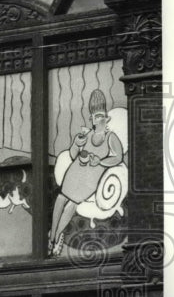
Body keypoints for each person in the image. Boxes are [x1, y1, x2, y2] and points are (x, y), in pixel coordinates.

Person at [48, 89, 124, 256]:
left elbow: (118, 157)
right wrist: (76, 143)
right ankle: (53, 233)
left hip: (91, 177)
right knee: (61, 199)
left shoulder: (111, 137)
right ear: (91, 119)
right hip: (76, 171)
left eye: (101, 116)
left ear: (106, 118)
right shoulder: (87, 134)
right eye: (95, 116)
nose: (98, 119)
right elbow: (73, 154)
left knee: (72, 203)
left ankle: (55, 236)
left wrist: (101, 161)